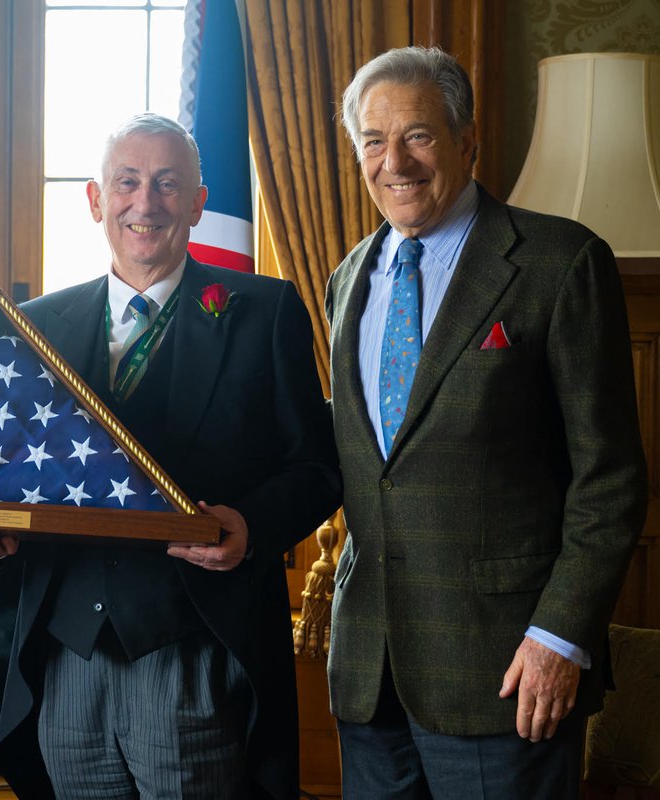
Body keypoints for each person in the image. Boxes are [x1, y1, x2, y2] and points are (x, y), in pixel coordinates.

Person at [0, 113, 342, 800]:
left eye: (167, 184)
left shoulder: (266, 309)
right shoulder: (37, 326)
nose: (145, 202)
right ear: (96, 200)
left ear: (197, 202)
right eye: (127, 182)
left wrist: (251, 526)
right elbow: (8, 482)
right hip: (65, 658)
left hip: (196, 650)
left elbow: (317, 467)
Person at [324, 46, 648, 798]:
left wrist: (559, 637)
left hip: (507, 672)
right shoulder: (350, 276)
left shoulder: (558, 263)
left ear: (468, 139)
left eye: (419, 135)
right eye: (373, 141)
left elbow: (612, 479)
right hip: (370, 674)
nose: (394, 161)